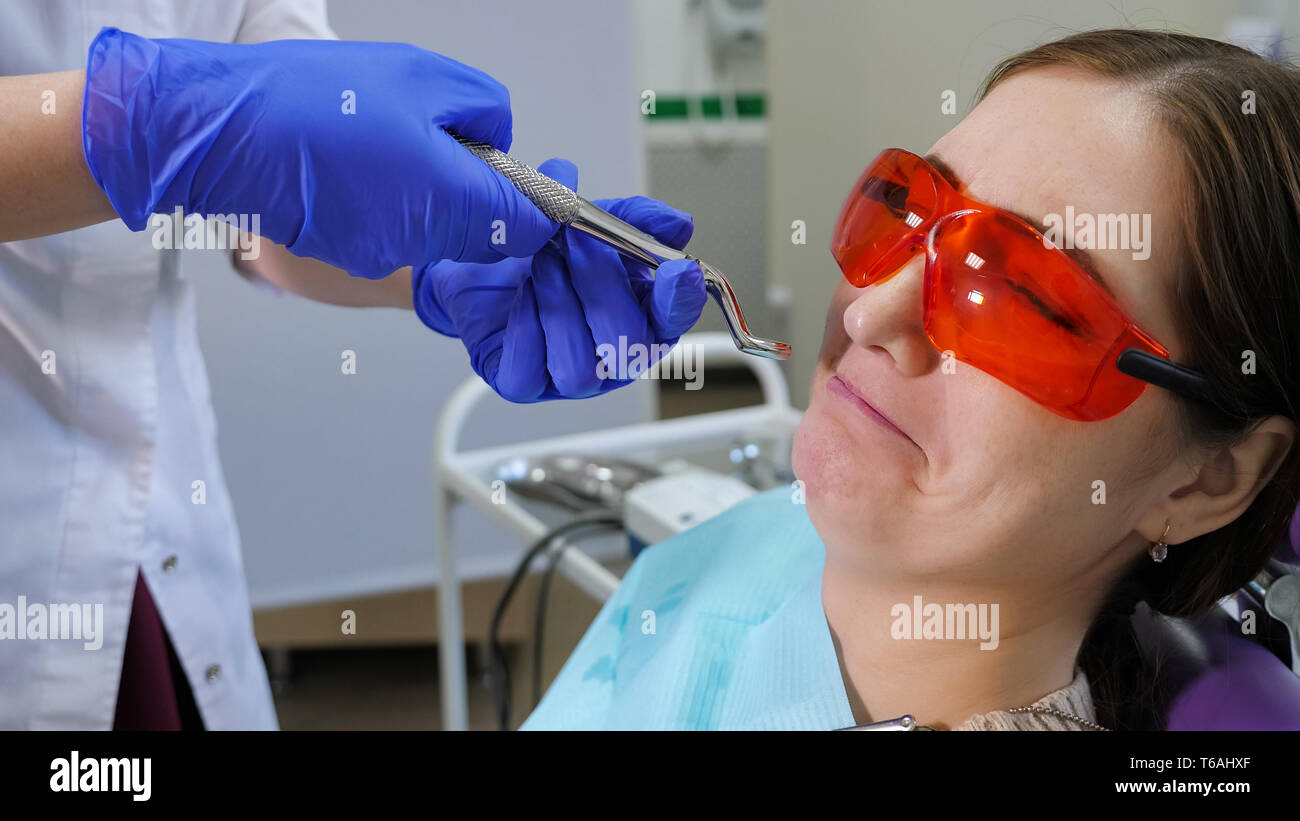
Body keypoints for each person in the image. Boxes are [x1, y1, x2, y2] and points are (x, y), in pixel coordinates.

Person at [521, 28, 1300, 731]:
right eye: (904, 210)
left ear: (1210, 480)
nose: (870, 316)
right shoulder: (744, 542)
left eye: (1020, 295)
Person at [0, 0, 704, 730]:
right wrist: (143, 124)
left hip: (166, 498)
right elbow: (234, 140)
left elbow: (283, 203)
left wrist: (441, 260)